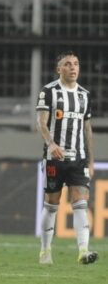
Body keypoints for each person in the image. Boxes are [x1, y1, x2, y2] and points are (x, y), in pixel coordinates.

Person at [36, 51, 98, 265]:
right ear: (59, 69)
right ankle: (45, 250)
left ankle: (84, 251)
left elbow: (87, 128)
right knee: (52, 205)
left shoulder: (85, 95)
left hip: (78, 158)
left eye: (76, 64)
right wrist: (51, 144)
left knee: (81, 203)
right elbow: (41, 122)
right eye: (68, 64)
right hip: (55, 159)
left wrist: (90, 160)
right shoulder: (49, 92)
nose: (73, 67)